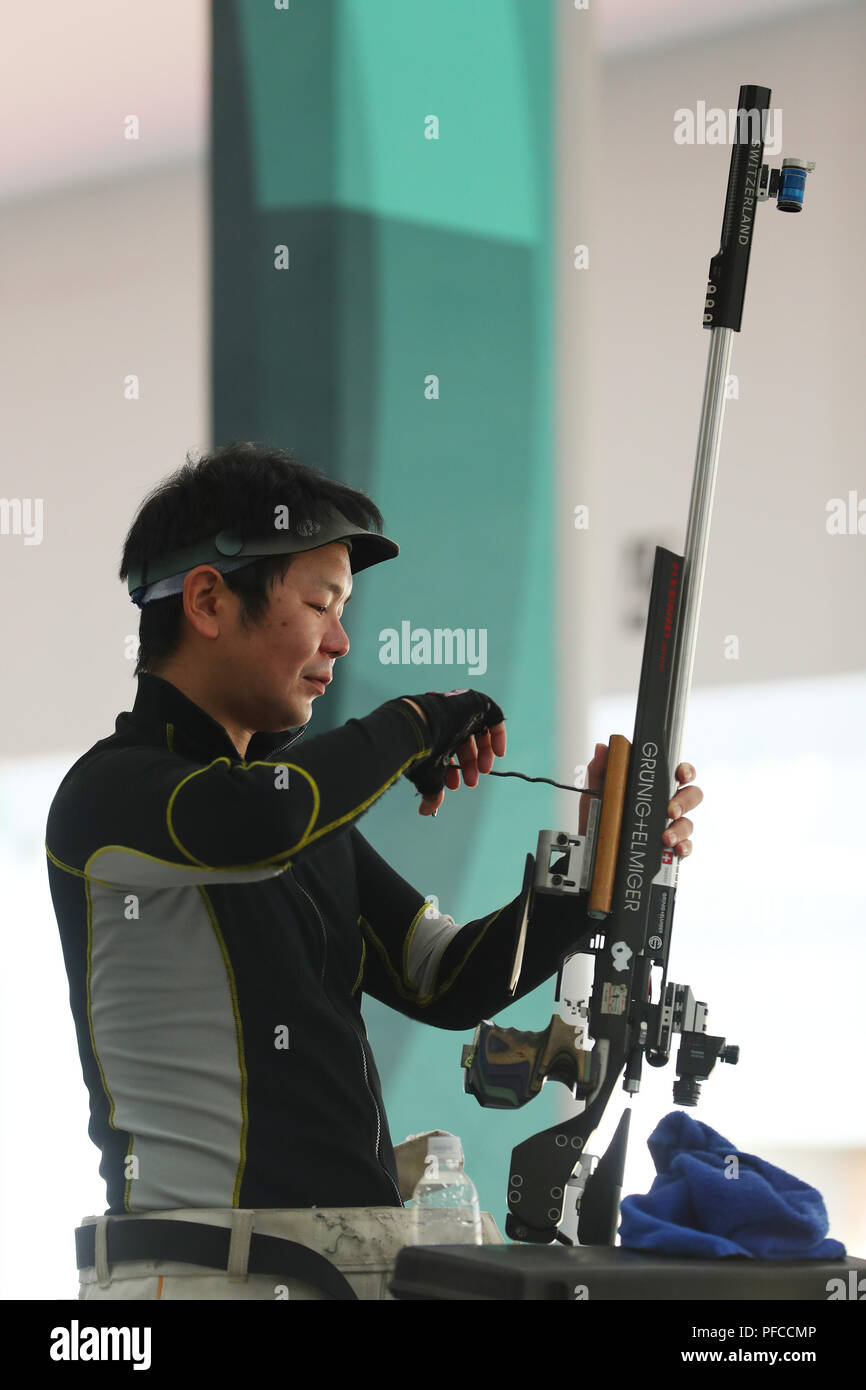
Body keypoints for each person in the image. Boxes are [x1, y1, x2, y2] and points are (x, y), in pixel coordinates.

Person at [45, 442, 702, 1300]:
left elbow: (448, 979)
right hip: (197, 1279)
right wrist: (416, 722)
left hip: (337, 1276)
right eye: (321, 604)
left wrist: (598, 866)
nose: (341, 640)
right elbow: (265, 820)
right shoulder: (110, 796)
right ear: (208, 600)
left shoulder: (291, 821)